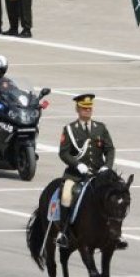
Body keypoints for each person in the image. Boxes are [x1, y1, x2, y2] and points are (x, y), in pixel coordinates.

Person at [56, 94, 124, 249]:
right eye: (84, 108)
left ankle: (116, 233)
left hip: (98, 174)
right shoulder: (70, 129)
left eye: (89, 108)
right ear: (77, 109)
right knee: (66, 195)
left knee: (116, 197)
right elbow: (63, 152)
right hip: (76, 174)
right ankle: (64, 232)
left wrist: (107, 165)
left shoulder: (100, 128)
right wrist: (77, 164)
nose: (87, 111)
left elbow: (110, 149)